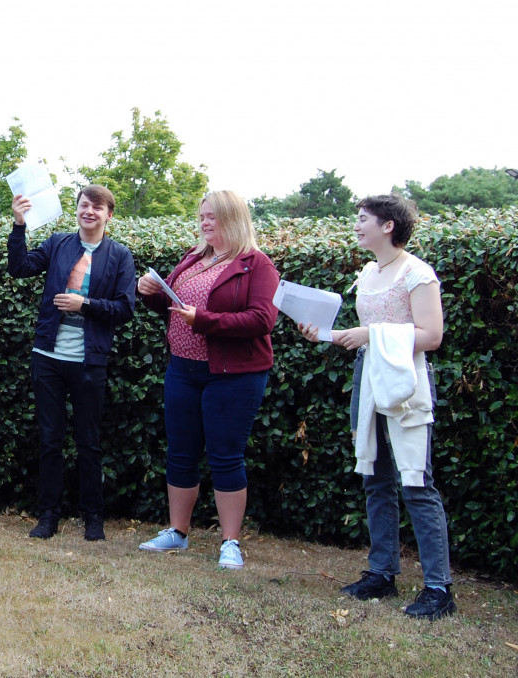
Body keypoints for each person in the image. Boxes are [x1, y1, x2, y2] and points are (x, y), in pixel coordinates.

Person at [299, 194, 455, 620]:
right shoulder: (368, 272)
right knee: (375, 479)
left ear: (388, 226)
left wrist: (370, 334)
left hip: (407, 386)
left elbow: (432, 336)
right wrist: (324, 336)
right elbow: (362, 334)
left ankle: (439, 589)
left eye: (363, 218)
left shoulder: (417, 273)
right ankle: (382, 573)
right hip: (368, 381)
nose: (357, 224)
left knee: (417, 485)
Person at [137, 190, 279, 569]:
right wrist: (150, 293)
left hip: (233, 376)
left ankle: (230, 541)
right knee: (180, 452)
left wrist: (204, 320)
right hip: (183, 369)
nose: (204, 222)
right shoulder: (194, 259)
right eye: (202, 216)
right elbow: (174, 307)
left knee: (225, 456)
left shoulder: (256, 264)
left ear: (233, 218)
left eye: (212, 216)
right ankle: (177, 532)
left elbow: (263, 320)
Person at [7, 185, 136, 541]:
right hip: (47, 357)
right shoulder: (58, 243)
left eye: (97, 207)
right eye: (84, 205)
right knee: (50, 439)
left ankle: (93, 517)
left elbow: (125, 309)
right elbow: (18, 267)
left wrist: (86, 305)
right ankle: (48, 515)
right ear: (76, 209)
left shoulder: (120, 255)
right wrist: (19, 225)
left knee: (88, 440)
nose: (89, 211)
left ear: (109, 214)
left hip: (89, 361)